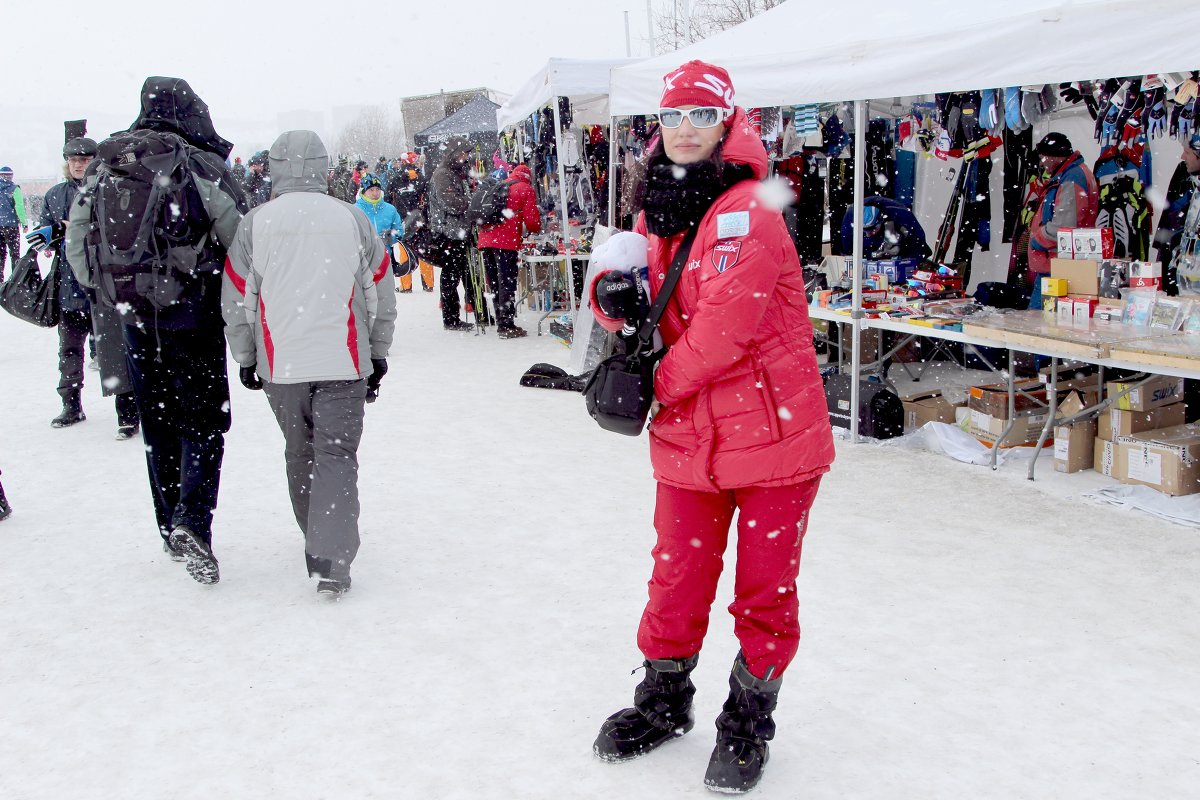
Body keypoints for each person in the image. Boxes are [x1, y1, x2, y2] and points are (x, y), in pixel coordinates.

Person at [588, 60, 835, 794]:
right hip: (690, 437)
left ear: (728, 121)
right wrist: (612, 299)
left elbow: (725, 330)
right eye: (672, 116)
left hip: (773, 439)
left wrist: (650, 387)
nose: (685, 128)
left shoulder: (751, 208)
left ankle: (747, 721)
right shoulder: (651, 208)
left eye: (700, 114)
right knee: (677, 577)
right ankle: (663, 701)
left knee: (764, 592)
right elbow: (631, 301)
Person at [66, 76, 247, 585]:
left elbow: (78, 238)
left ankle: (169, 522)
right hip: (192, 314)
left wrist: (110, 293)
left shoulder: (108, 162)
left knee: (158, 420)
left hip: (133, 318)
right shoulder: (196, 162)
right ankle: (194, 519)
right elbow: (237, 233)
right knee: (206, 420)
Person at [223, 130, 396, 595]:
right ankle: (332, 556)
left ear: (275, 167)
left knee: (301, 452)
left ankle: (316, 539)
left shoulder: (254, 223)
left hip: (282, 366)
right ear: (324, 166)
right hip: (344, 361)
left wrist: (245, 354)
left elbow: (238, 297)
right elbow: (379, 291)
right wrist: (377, 352)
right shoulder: (353, 219)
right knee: (336, 454)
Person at [26, 125, 140, 437]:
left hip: (104, 283)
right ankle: (71, 405)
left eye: (85, 158)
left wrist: (71, 228)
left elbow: (115, 230)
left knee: (115, 350)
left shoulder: (110, 188)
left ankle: (127, 413)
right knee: (69, 351)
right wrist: (46, 236)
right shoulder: (55, 195)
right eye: (73, 159)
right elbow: (48, 231)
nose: (79, 164)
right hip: (69, 285)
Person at [1024, 132, 1098, 309]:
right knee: (1042, 324)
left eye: (1043, 157)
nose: (1042, 163)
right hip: (1061, 266)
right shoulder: (1071, 175)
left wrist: (1036, 240)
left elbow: (1063, 228)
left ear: (1054, 156)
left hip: (1059, 269)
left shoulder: (1072, 178)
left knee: (1037, 325)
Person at [477, 163, 541, 338]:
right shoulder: (525, 189)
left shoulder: (500, 184)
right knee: (507, 281)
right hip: (505, 241)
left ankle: (501, 319)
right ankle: (506, 325)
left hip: (486, 239)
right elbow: (532, 220)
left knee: (496, 282)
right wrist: (535, 229)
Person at [428, 137, 477, 331]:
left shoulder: (457, 173)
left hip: (458, 230)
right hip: (448, 232)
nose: (465, 157)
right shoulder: (442, 174)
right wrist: (470, 203)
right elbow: (449, 201)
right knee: (451, 275)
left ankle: (459, 312)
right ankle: (451, 317)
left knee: (460, 272)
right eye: (463, 153)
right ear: (454, 154)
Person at [355, 173, 405, 288]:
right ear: (363, 191)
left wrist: (391, 236)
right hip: (363, 261)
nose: (375, 193)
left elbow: (399, 230)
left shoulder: (390, 209)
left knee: (386, 299)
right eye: (371, 190)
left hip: (385, 261)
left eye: (377, 189)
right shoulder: (356, 210)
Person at [0, 165, 29, 280]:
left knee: (1, 255)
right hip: (11, 226)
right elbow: (20, 207)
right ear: (11, 176)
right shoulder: (14, 189)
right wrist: (24, 223)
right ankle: (15, 280)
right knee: (15, 254)